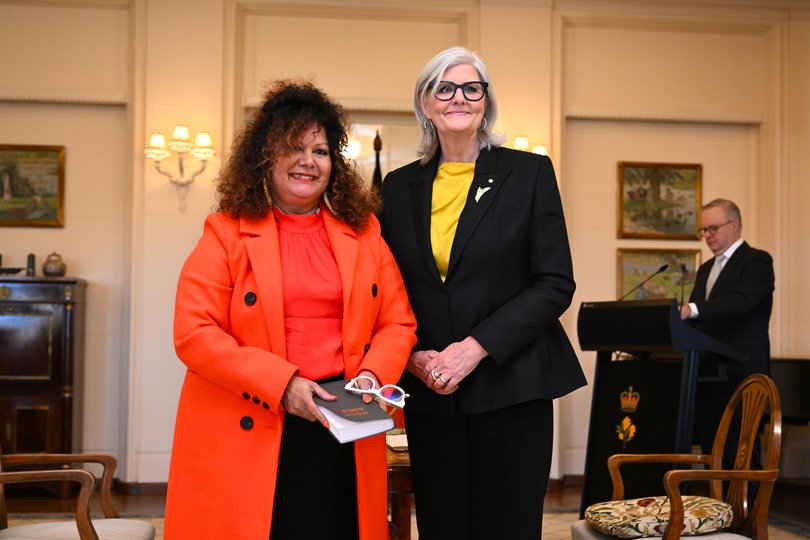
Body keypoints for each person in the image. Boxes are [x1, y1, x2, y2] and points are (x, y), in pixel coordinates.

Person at [164, 80, 417, 539]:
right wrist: (283, 385)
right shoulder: (225, 231)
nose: (308, 161)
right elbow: (194, 332)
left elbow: (397, 322)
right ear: (265, 156)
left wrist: (373, 376)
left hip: (346, 422)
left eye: (320, 151)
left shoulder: (365, 233)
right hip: (257, 421)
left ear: (333, 164)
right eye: (293, 148)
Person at [379, 46, 587, 540]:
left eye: (472, 88)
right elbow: (386, 286)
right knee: (442, 526)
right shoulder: (397, 186)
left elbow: (555, 282)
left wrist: (473, 350)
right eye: (444, 88)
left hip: (512, 385)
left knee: (507, 527)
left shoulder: (529, 173)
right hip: (431, 391)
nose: (459, 98)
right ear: (426, 104)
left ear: (486, 102)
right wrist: (411, 356)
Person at [680, 198, 774, 465]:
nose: (707, 236)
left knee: (742, 453)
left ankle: (748, 507)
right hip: (708, 374)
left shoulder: (757, 261)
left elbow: (742, 301)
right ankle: (717, 506)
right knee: (714, 451)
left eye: (713, 228)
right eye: (703, 230)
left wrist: (692, 309)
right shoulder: (705, 269)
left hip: (742, 373)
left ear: (735, 225)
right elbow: (699, 321)